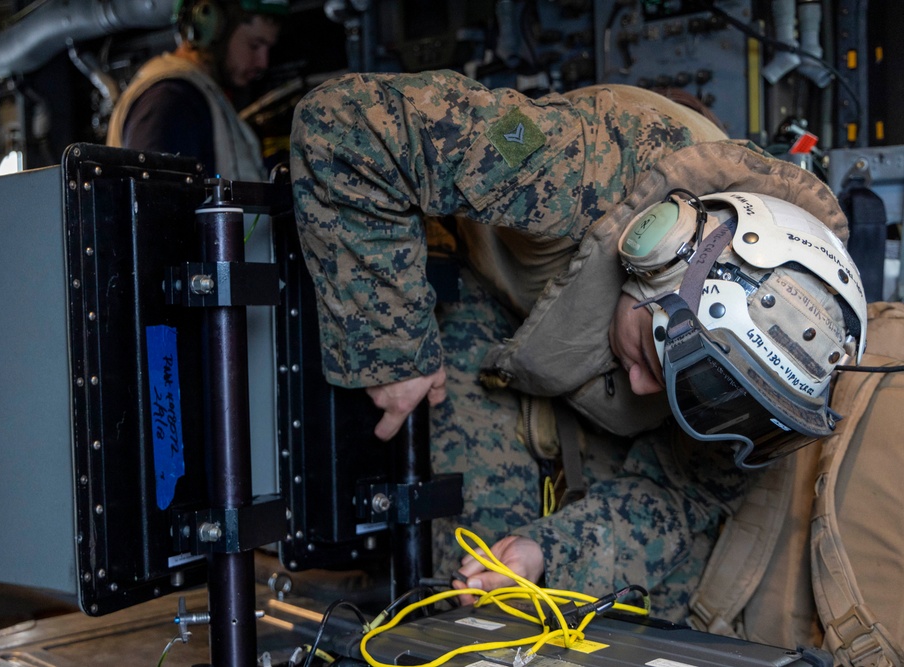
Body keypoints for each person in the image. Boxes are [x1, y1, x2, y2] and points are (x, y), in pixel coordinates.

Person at [289, 68, 864, 622]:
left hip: (584, 334)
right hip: (484, 286)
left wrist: (551, 554)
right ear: (651, 253)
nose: (642, 388)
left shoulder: (777, 375)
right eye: (649, 356)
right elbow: (345, 124)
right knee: (467, 596)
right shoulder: (579, 167)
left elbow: (684, 497)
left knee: (581, 595)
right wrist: (393, 346)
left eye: (669, 382)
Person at [106, 0, 287, 181]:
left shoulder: (201, 94)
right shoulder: (170, 99)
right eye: (254, 45)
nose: (263, 62)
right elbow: (156, 202)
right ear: (212, 27)